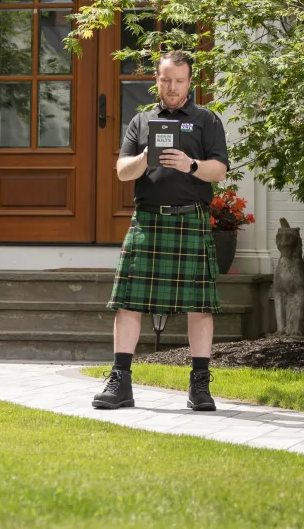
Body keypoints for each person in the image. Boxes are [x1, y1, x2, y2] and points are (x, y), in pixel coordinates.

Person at [93, 51, 229, 412]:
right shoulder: (142, 121)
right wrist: (145, 157)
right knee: (128, 303)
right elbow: (122, 171)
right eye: (166, 79)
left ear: (189, 81)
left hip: (190, 220)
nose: (172, 87)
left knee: (200, 307)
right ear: (156, 79)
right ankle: (120, 382)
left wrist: (191, 164)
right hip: (148, 220)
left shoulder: (206, 120)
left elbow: (219, 171)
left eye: (179, 81)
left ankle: (199, 385)